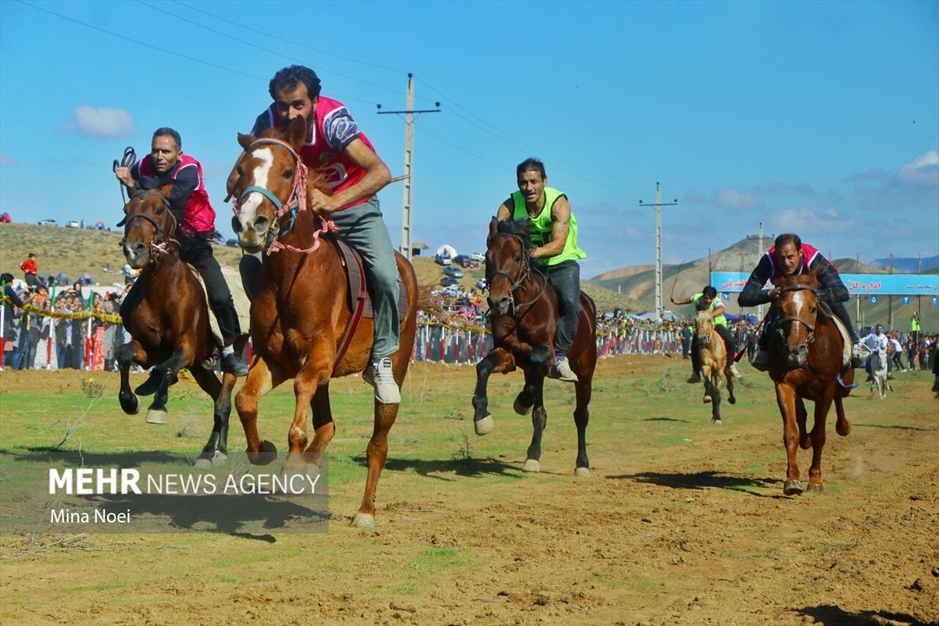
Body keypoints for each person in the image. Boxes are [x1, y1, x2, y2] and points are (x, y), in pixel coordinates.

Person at [247, 65, 400, 403]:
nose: (289, 113)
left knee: (388, 277)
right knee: (249, 259)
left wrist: (333, 200)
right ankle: (263, 337)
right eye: (283, 105)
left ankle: (382, 357)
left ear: (314, 101)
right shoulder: (267, 124)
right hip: (300, 214)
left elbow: (382, 172)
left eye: (298, 105)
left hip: (353, 204)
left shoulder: (334, 122)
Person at [114, 127, 248, 376]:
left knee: (219, 294)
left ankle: (229, 351)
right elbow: (139, 200)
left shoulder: (190, 168)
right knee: (127, 306)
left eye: (166, 151)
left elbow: (169, 197)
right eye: (155, 150)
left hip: (193, 240)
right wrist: (125, 177)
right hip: (163, 247)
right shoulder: (143, 165)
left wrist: (133, 183)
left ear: (179, 153)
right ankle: (153, 350)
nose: (159, 156)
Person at [495, 158, 586, 382]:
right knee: (505, 300)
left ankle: (561, 358)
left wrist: (530, 254)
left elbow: (558, 245)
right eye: (523, 182)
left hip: (562, 262)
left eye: (534, 181)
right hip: (532, 266)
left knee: (570, 304)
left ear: (544, 181)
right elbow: (500, 240)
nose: (529, 188)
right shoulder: (509, 207)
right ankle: (505, 348)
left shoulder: (559, 204)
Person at [739, 233, 866, 371]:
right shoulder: (768, 261)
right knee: (778, 303)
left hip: (817, 292)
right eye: (781, 258)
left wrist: (809, 296)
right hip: (787, 297)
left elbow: (842, 292)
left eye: (790, 257)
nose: (786, 263)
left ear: (800, 253)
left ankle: (854, 344)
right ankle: (764, 350)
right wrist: (768, 294)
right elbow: (744, 297)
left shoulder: (814, 259)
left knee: (836, 303)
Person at [671, 287, 742, 381]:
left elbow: (721, 309)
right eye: (706, 298)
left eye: (710, 299)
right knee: (694, 346)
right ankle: (696, 373)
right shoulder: (698, 297)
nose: (708, 300)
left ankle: (730, 366)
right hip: (703, 326)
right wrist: (678, 302)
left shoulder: (717, 301)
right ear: (703, 295)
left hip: (717, 324)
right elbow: (689, 299)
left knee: (731, 341)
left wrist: (709, 315)